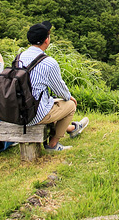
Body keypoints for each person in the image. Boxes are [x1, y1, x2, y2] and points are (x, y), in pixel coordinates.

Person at [18, 21, 89, 151]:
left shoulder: (19, 57)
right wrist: (69, 97)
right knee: (70, 105)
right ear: (46, 40)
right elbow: (60, 89)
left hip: (18, 111)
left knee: (52, 101)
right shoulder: (48, 63)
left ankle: (72, 128)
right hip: (34, 115)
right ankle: (53, 145)